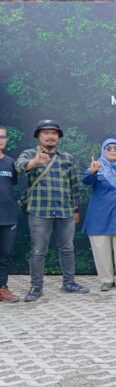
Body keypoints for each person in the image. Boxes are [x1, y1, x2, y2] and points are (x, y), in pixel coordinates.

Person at [16, 120, 88, 301]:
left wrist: (76, 209)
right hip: (39, 211)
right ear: (38, 136)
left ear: (58, 137)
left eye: (54, 133)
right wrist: (35, 162)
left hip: (65, 211)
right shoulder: (29, 154)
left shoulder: (68, 158)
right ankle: (36, 288)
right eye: (46, 132)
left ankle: (69, 283)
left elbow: (74, 185)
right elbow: (20, 167)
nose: (50, 136)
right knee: (38, 251)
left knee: (67, 249)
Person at [82, 138, 116, 291]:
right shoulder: (97, 167)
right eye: (108, 148)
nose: (112, 151)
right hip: (99, 216)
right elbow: (85, 180)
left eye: (115, 148)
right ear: (103, 151)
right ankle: (106, 280)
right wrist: (92, 171)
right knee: (101, 248)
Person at [0, 125, 19, 302]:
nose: (0, 139)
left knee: (5, 255)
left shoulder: (10, 163)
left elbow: (11, 186)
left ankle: (2, 288)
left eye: (3, 137)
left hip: (7, 217)